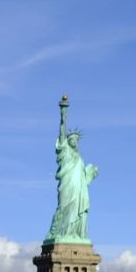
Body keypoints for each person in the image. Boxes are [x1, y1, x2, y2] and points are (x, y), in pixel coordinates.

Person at [46, 95, 98, 241]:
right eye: (71, 139)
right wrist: (63, 112)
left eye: (76, 139)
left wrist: (90, 174)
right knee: (64, 208)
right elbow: (62, 130)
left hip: (79, 190)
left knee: (77, 211)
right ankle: (61, 233)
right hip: (67, 186)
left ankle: (75, 234)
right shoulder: (65, 151)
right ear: (67, 142)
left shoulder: (80, 159)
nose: (74, 141)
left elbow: (83, 179)